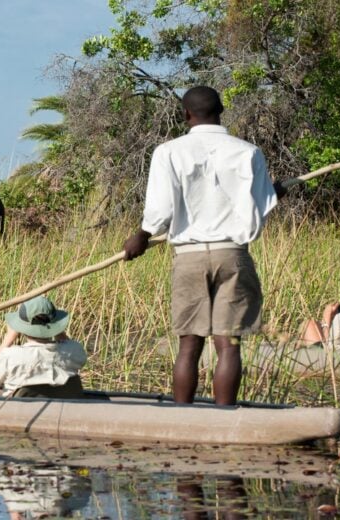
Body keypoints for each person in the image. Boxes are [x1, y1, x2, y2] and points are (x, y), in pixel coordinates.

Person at [123, 85, 282, 406]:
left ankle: (183, 416)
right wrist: (276, 191)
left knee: (189, 345)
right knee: (229, 344)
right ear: (221, 109)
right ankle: (224, 416)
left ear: (186, 114)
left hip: (189, 257)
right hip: (233, 255)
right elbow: (263, 203)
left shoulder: (168, 152)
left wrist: (142, 234)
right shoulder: (248, 152)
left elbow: (160, 209)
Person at [0, 295, 87, 398]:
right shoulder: (74, 350)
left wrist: (8, 339)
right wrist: (58, 330)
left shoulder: (10, 356)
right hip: (66, 407)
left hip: (20, 410)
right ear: (55, 326)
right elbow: (75, 353)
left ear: (22, 328)